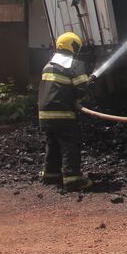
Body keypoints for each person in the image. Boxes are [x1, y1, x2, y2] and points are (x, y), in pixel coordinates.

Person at [38, 32, 94, 191]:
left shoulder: (48, 65)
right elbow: (81, 89)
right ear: (74, 46)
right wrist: (88, 82)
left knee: (53, 143)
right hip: (63, 114)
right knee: (70, 144)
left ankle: (51, 175)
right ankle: (73, 179)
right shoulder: (73, 64)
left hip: (44, 115)